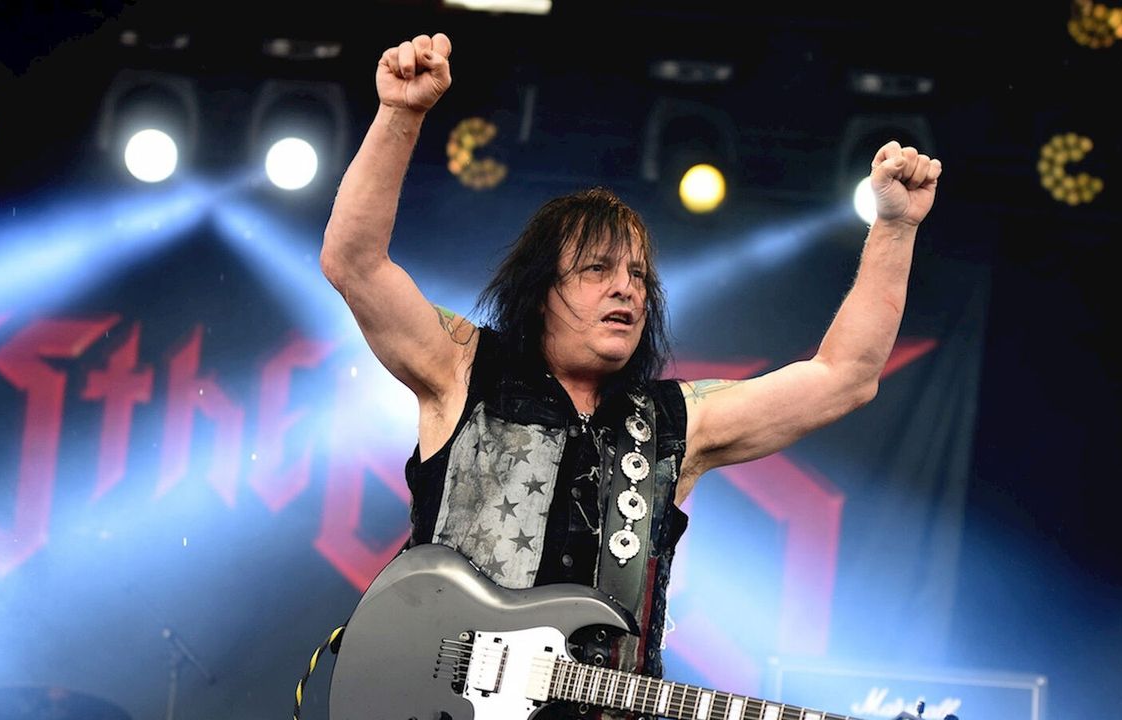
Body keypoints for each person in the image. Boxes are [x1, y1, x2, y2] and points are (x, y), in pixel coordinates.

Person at [319, 31, 941, 719]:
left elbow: (845, 376)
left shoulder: (675, 424)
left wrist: (895, 228)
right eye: (598, 269)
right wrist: (400, 114)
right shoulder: (466, 367)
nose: (627, 289)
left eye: (639, 276)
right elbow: (355, 263)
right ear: (540, 291)